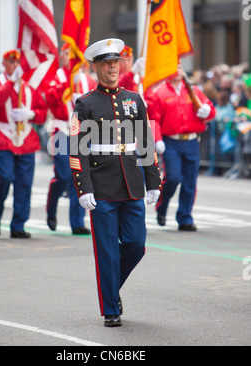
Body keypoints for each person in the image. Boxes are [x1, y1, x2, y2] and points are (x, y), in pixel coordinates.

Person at [69, 38, 162, 327]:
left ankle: (111, 289)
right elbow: (76, 149)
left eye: (116, 62)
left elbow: (145, 141)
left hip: (132, 182)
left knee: (136, 245)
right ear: (95, 67)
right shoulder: (85, 103)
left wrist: (154, 181)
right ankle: (111, 308)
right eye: (106, 63)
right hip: (102, 186)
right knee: (107, 251)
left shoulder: (134, 99)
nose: (112, 67)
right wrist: (83, 188)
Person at [144, 61, 216, 231]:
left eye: (180, 67)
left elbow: (210, 110)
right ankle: (162, 206)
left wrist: (208, 111)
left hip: (191, 140)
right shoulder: (160, 92)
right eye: (173, 67)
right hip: (171, 141)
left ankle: (185, 217)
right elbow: (154, 118)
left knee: (190, 181)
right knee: (173, 177)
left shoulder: (193, 90)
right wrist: (158, 139)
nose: (177, 70)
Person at [0, 50, 47, 238]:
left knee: (25, 184)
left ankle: (18, 225)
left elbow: (42, 112)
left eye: (18, 62)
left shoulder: (29, 87)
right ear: (4, 64)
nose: (15, 65)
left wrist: (32, 114)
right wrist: (11, 83)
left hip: (25, 137)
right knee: (5, 177)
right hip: (3, 136)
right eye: (11, 62)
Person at [45, 43, 96, 235]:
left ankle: (77, 222)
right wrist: (66, 88)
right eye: (65, 53)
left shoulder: (88, 81)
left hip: (81, 132)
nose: (69, 57)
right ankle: (52, 204)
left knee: (80, 175)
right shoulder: (56, 78)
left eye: (72, 53)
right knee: (65, 174)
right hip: (61, 130)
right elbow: (50, 98)